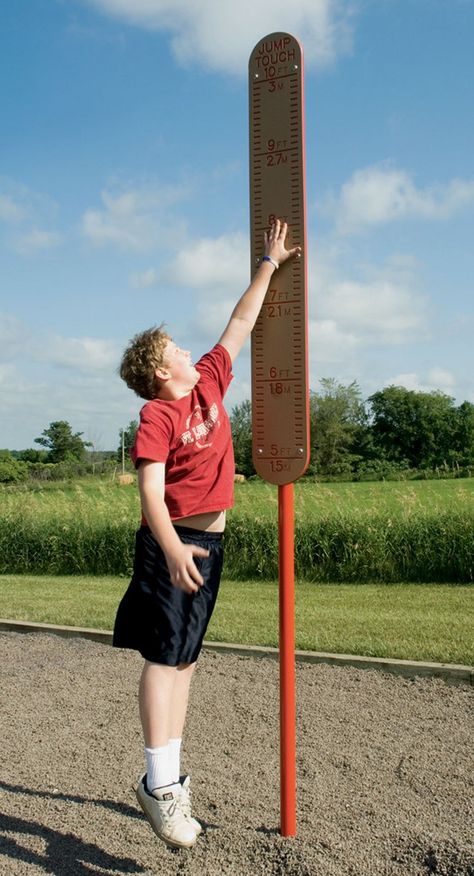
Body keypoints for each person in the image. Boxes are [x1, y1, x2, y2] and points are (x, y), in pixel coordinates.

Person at [113, 219, 300, 850]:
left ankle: (167, 781)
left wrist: (269, 264)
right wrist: (169, 548)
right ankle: (160, 786)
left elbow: (241, 323)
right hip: (174, 545)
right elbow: (148, 489)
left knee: (185, 661)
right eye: (175, 348)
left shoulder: (210, 385)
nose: (189, 350)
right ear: (160, 369)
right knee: (164, 661)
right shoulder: (158, 413)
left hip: (209, 545)